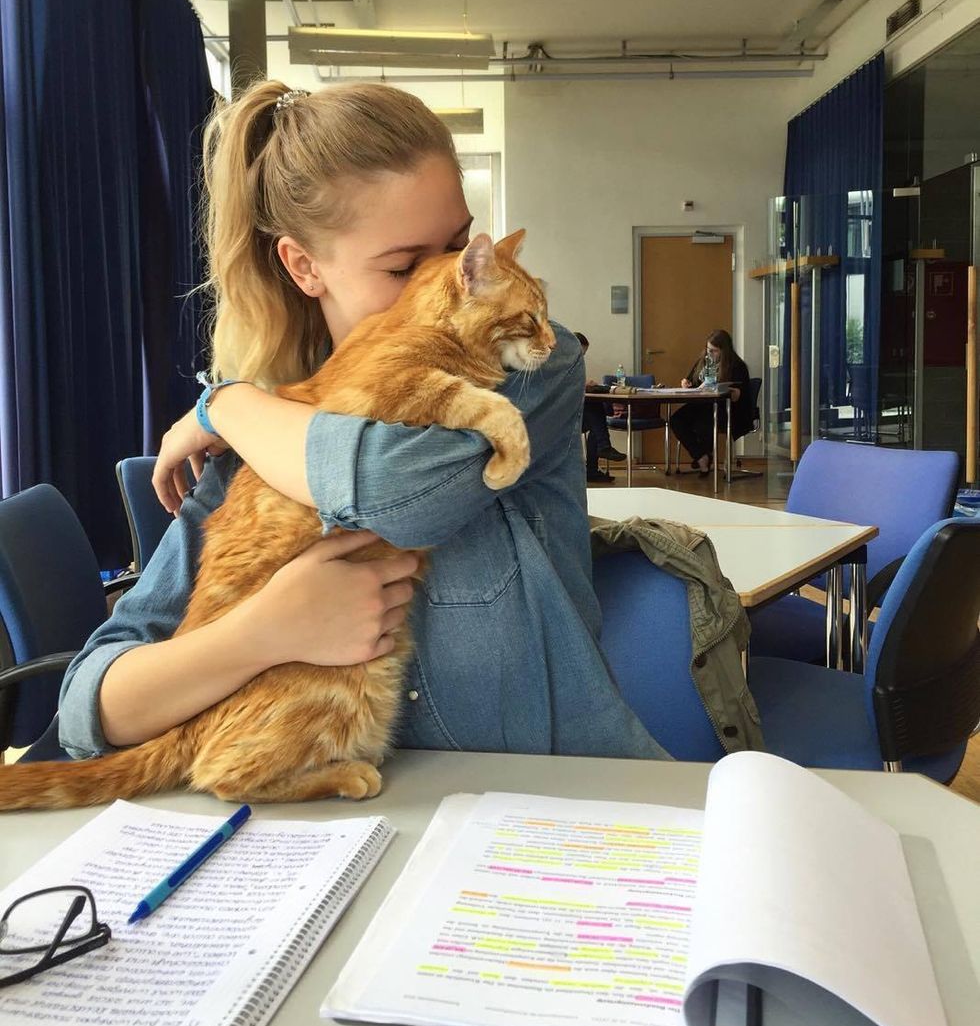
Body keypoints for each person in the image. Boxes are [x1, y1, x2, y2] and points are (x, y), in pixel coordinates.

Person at [57, 80, 669, 764]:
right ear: (304, 266)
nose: (448, 280)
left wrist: (225, 405)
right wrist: (266, 630)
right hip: (345, 831)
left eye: (461, 246)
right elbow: (89, 705)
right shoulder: (261, 441)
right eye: (407, 265)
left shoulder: (526, 367)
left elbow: (395, 489)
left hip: (550, 803)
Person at [670, 329, 751, 476]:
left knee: (703, 423)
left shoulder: (737, 366)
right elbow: (691, 381)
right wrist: (685, 383)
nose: (710, 354)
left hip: (725, 409)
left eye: (714, 351)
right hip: (701, 404)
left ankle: (704, 460)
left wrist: (732, 391)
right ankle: (701, 456)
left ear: (724, 351)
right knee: (676, 419)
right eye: (708, 350)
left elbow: (740, 395)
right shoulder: (704, 361)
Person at [574, 332, 626, 484]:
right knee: (595, 413)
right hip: (558, 417)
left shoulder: (573, 365)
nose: (581, 357)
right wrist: (583, 385)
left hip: (573, 413)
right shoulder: (557, 364)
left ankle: (593, 468)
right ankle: (603, 449)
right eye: (580, 353)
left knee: (595, 419)